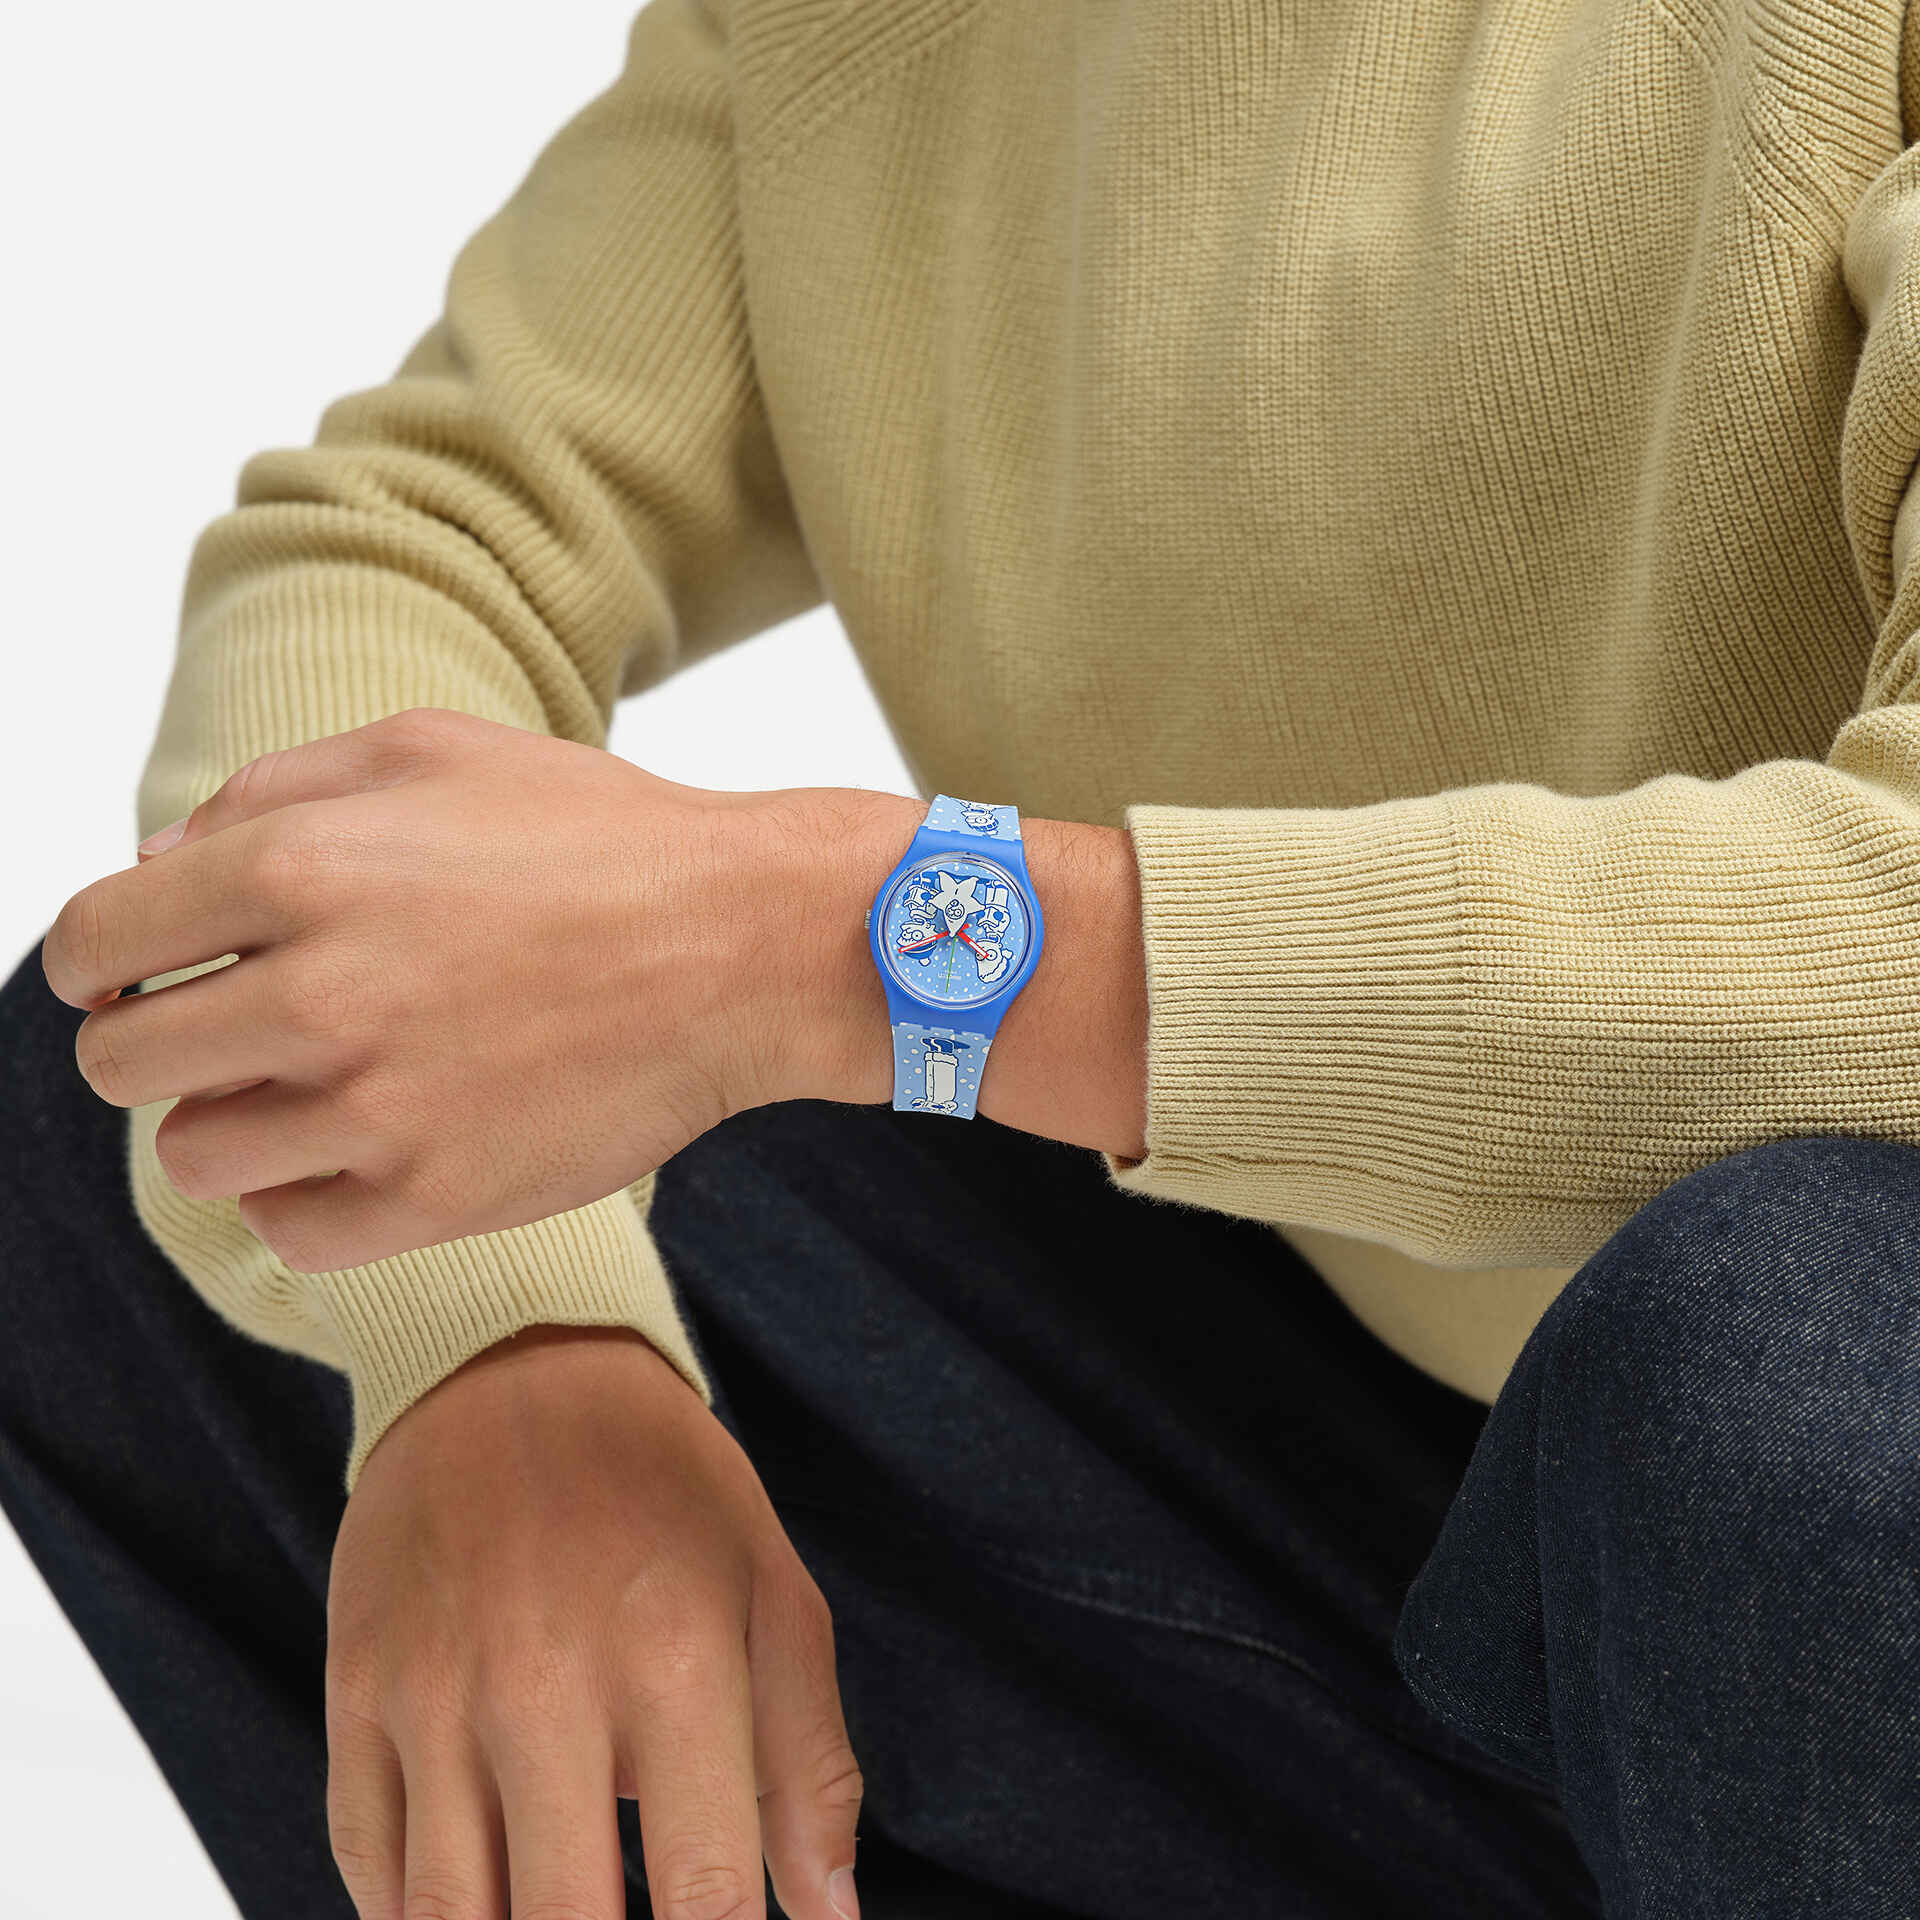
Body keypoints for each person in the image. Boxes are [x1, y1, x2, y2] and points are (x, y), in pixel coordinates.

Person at [4, 0, 1918, 1912]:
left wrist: (840, 941)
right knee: (207, 1076)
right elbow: (410, 546)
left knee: (1776, 1357)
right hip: (1426, 1509)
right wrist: (505, 1338)